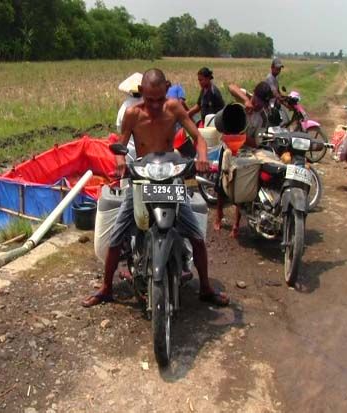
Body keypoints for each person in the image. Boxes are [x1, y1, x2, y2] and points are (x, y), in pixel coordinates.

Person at [81, 68, 229, 308]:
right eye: (150, 99)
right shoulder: (132, 114)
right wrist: (120, 165)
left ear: (167, 90)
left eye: (160, 98)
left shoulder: (174, 109)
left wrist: (202, 157)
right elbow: (119, 146)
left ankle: (205, 287)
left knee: (196, 235)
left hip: (170, 176)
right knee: (117, 235)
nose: (155, 105)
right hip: (142, 178)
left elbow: (198, 137)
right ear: (142, 93)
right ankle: (106, 288)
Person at [214, 81, 274, 237]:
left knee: (242, 189)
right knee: (221, 184)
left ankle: (236, 225)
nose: (258, 106)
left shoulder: (262, 118)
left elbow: (257, 142)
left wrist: (243, 138)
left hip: (245, 153)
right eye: (257, 102)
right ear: (254, 94)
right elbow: (230, 86)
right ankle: (219, 215)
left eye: (262, 104)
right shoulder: (245, 97)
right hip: (228, 147)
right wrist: (246, 99)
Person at [116, 72, 144, 158]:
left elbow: (119, 128)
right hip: (148, 152)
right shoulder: (150, 105)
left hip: (129, 152)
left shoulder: (125, 106)